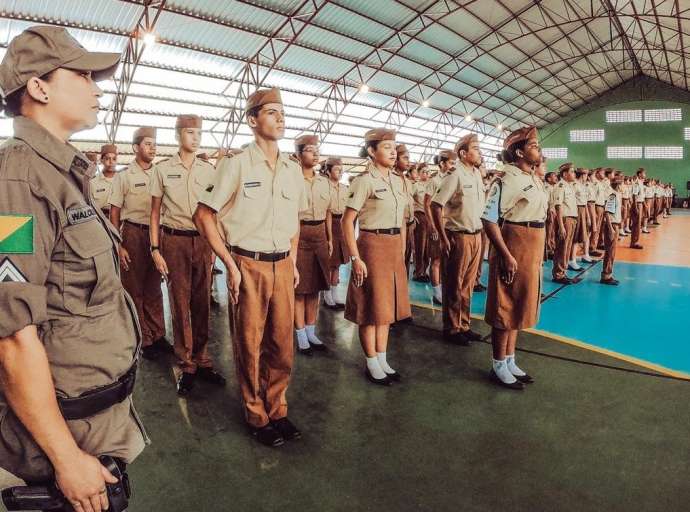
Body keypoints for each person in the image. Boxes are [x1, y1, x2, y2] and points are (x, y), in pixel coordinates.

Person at [0, 25, 147, 511]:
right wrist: (65, 458)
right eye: (82, 75)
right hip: (63, 435)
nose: (96, 87)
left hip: (94, 420)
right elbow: (13, 334)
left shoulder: (61, 172)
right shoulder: (19, 180)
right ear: (39, 88)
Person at [194, 87, 307, 447]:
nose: (280, 118)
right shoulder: (237, 164)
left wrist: (293, 256)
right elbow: (204, 215)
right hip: (249, 263)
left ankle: (278, 408)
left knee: (282, 345)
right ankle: (256, 412)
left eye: (283, 113)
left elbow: (295, 219)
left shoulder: (292, 169)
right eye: (271, 112)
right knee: (249, 343)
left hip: (283, 266)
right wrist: (230, 264)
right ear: (252, 119)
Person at [149, 114, 225, 395]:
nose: (196, 137)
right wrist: (155, 248)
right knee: (180, 304)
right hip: (174, 241)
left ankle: (203, 359)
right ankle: (186, 364)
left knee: (202, 304)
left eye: (199, 133)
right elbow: (155, 212)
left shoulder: (209, 170)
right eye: (190, 133)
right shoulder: (162, 169)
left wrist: (216, 247)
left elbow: (214, 212)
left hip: (202, 243)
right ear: (177, 135)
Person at [342, 128, 411, 385]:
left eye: (394, 147)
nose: (393, 152)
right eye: (386, 147)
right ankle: (371, 361)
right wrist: (355, 258)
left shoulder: (397, 181)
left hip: (393, 246)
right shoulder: (364, 181)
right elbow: (347, 222)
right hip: (372, 245)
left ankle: (382, 357)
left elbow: (403, 219)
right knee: (371, 307)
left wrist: (402, 246)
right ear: (372, 152)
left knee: (387, 308)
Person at [481, 126, 547, 390]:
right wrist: (506, 255)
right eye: (533, 146)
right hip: (514, 245)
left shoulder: (532, 178)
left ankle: (509, 359)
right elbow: (489, 219)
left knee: (519, 304)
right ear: (519, 152)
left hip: (531, 246)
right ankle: (498, 364)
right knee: (505, 306)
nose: (539, 150)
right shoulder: (505, 179)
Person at [109, 127, 170, 360]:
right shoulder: (124, 176)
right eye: (147, 144)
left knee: (154, 287)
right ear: (135, 148)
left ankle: (158, 334)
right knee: (134, 289)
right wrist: (119, 244)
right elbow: (114, 213)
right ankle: (144, 339)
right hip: (133, 234)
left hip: (156, 235)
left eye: (154, 143)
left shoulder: (160, 173)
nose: (152, 148)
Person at [430, 133, 484, 345]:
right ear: (463, 153)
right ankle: (451, 329)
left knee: (467, 286)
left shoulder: (476, 174)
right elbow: (436, 205)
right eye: (476, 149)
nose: (479, 152)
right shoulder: (455, 175)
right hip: (458, 236)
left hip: (476, 235)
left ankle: (464, 324)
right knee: (454, 284)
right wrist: (443, 238)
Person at [293, 134, 333, 354]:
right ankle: (300, 335)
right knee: (300, 289)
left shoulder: (323, 182)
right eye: (309, 149)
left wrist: (329, 238)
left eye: (317, 149)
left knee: (316, 287)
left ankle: (311, 331)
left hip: (319, 235)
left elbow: (328, 212)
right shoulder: (292, 179)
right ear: (298, 155)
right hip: (299, 234)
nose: (316, 153)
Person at [425, 150, 457, 304]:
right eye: (451, 163)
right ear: (442, 163)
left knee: (447, 260)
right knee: (436, 259)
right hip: (438, 225)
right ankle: (437, 292)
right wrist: (432, 226)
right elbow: (427, 204)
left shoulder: (452, 178)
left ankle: (443, 288)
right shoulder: (434, 181)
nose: (453, 166)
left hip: (449, 225)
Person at [324, 157, 348, 309]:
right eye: (337, 169)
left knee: (338, 263)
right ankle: (327, 296)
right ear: (327, 171)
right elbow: (327, 212)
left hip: (341, 225)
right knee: (329, 264)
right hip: (329, 223)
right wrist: (329, 238)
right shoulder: (324, 187)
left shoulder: (345, 188)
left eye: (341, 169)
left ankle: (334, 293)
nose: (340, 172)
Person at [552, 163, 580, 284]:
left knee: (567, 247)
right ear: (564, 174)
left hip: (572, 218)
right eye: (572, 171)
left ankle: (563, 272)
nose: (574, 174)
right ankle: (558, 274)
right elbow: (558, 206)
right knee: (562, 247)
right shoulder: (561, 186)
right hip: (565, 219)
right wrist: (561, 225)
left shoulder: (569, 186)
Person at [600, 171, 622, 285]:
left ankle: (608, 274)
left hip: (615, 224)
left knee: (612, 252)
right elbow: (607, 213)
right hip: (612, 225)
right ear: (618, 185)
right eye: (621, 184)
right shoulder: (612, 195)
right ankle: (606, 276)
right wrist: (611, 229)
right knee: (610, 251)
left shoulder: (617, 194)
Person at [412, 163, 430, 282]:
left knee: (428, 247)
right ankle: (418, 272)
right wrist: (412, 215)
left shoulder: (431, 185)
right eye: (423, 171)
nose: (426, 174)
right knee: (420, 246)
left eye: (428, 172)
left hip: (430, 218)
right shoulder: (416, 186)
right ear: (418, 173)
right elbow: (407, 200)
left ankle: (425, 270)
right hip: (420, 216)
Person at [571, 167, 592, 268]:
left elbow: (585, 203)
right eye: (586, 175)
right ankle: (572, 260)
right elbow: (573, 201)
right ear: (582, 175)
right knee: (575, 237)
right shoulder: (575, 185)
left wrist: (588, 216)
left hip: (583, 210)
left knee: (583, 234)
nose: (587, 177)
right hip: (577, 210)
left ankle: (584, 255)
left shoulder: (582, 186)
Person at [90, 143, 118, 215]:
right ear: (101, 160)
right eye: (107, 158)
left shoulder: (124, 180)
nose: (111, 162)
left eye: (114, 159)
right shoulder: (93, 182)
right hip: (100, 220)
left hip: (120, 220)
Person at [543, 171, 559, 259]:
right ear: (548, 179)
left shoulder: (553, 187)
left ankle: (552, 248)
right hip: (550, 212)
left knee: (553, 232)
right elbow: (546, 202)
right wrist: (549, 212)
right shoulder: (547, 187)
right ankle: (548, 250)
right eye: (554, 176)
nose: (556, 178)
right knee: (549, 232)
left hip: (554, 211)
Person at [629, 168, 646, 249]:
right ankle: (634, 242)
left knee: (638, 224)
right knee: (636, 224)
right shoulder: (636, 183)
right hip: (637, 204)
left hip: (640, 203)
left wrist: (644, 205)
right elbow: (634, 195)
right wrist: (635, 207)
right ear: (639, 174)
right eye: (643, 173)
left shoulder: (641, 183)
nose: (645, 175)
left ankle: (635, 241)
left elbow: (641, 196)